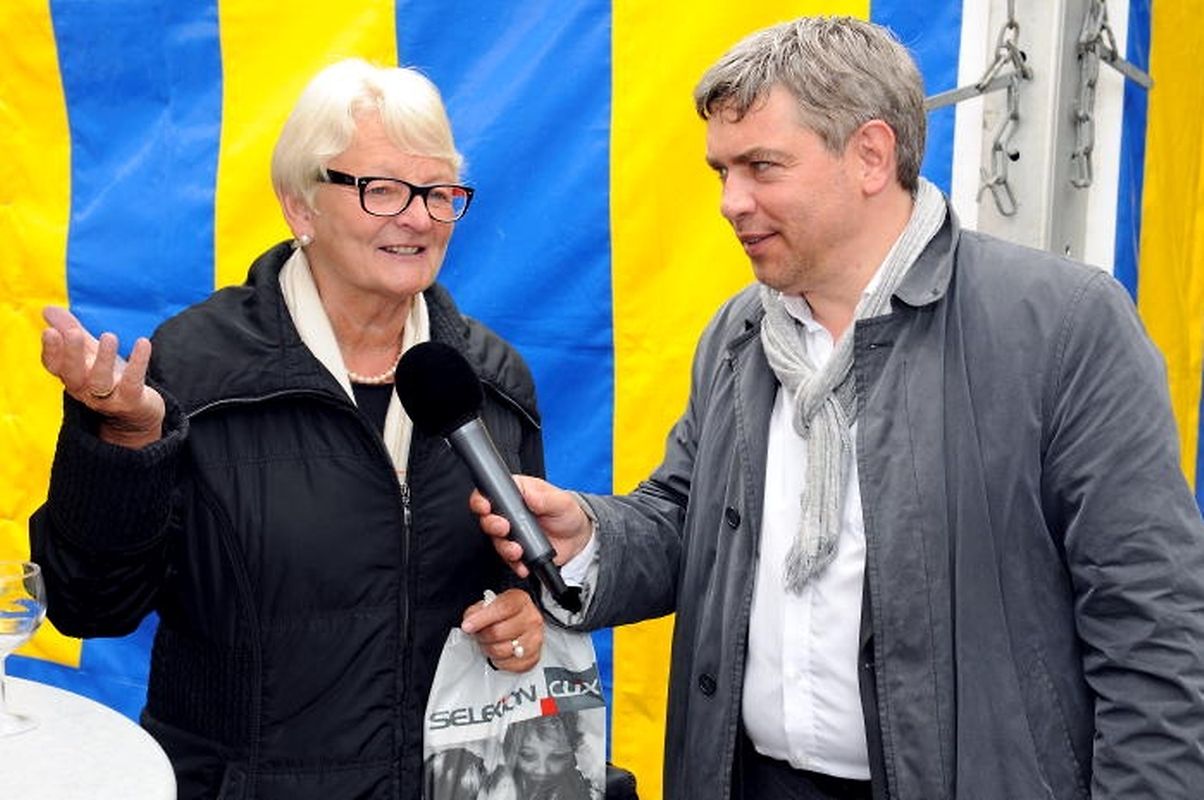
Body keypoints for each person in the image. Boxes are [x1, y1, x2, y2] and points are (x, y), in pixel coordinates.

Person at [470, 16, 1204, 800]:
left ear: (871, 155)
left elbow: (1152, 627)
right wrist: (592, 538)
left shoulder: (1063, 324)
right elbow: (692, 523)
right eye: (722, 171)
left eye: (761, 166)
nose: (730, 201)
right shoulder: (740, 333)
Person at [31, 58, 546, 799]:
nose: (417, 218)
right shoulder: (195, 369)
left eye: (439, 193)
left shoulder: (492, 381)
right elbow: (90, 605)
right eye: (382, 189)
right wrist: (124, 443)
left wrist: (525, 617)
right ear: (300, 205)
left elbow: (523, 582)